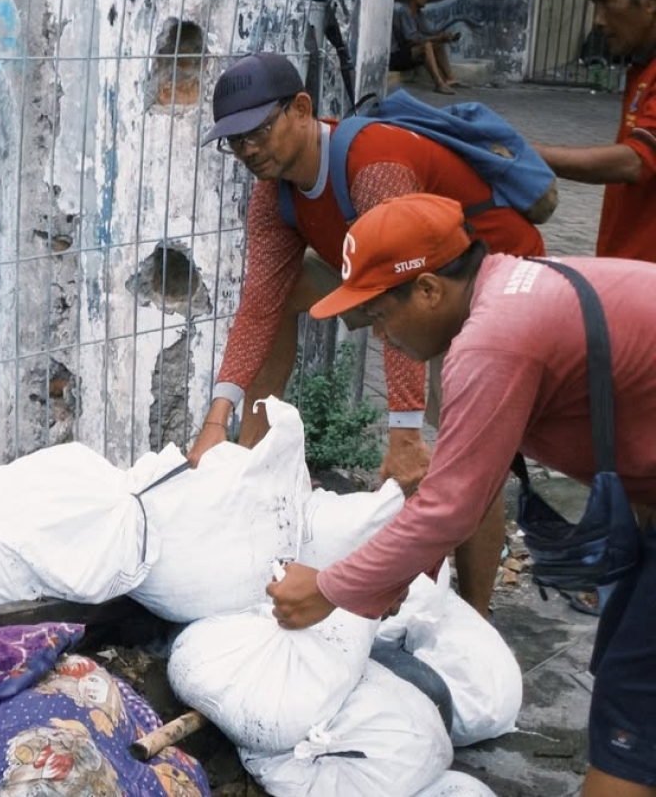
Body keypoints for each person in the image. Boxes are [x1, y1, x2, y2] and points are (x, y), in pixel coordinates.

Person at [267, 192, 656, 797]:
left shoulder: (493, 341)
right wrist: (390, 579)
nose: (382, 337)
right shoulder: (512, 289)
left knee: (630, 719)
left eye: (379, 316)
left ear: (427, 290)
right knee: (624, 671)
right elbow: (465, 481)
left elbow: (449, 508)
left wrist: (327, 588)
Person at [191, 52, 546, 618]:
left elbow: (405, 296)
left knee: (469, 454)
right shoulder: (274, 193)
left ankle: (475, 616)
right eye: (234, 142)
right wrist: (216, 421)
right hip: (402, 282)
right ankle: (249, 452)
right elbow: (258, 307)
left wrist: (404, 434)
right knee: (281, 293)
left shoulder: (371, 163)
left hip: (485, 282)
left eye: (258, 131)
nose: (248, 150)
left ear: (301, 109)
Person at [534, 0, 656, 264]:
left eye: (606, 2)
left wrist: (520, 151)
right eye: (594, 5)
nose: (598, 21)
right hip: (629, 268)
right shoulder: (643, 66)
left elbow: (635, 161)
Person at [391, 0, 463, 94]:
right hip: (396, 57)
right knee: (427, 46)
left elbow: (429, 32)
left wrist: (444, 36)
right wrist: (436, 38)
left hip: (409, 54)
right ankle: (439, 84)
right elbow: (411, 39)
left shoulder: (418, 14)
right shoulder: (404, 12)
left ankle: (451, 78)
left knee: (438, 45)